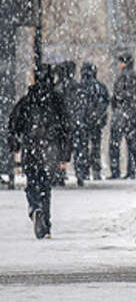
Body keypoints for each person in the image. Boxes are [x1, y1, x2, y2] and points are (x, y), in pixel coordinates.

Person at [8, 65, 73, 239]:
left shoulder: (27, 99)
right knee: (46, 185)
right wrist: (65, 153)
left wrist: (15, 144)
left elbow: (14, 123)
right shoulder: (57, 100)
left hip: (31, 146)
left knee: (32, 182)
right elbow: (67, 127)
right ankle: (46, 223)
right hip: (50, 148)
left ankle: (34, 207)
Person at [108, 53, 136, 179]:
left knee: (115, 143)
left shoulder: (120, 78)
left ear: (125, 63)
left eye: (120, 62)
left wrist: (118, 101)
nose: (118, 65)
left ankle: (115, 171)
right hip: (131, 114)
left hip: (119, 114)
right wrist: (133, 100)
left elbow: (116, 96)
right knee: (131, 144)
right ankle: (132, 170)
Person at [74, 62, 110, 181]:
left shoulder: (79, 87)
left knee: (81, 146)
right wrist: (98, 117)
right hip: (96, 123)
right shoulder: (100, 87)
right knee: (95, 146)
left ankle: (82, 171)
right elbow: (106, 102)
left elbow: (75, 104)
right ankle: (96, 170)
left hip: (82, 122)